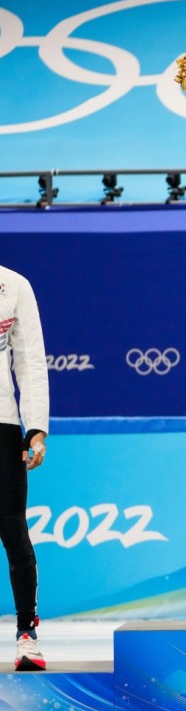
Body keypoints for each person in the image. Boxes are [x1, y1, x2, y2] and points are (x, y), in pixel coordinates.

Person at [0, 266, 49, 669]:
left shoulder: (15, 285)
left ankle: (26, 634)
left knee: (12, 528)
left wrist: (35, 428)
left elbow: (30, 360)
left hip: (2, 424)